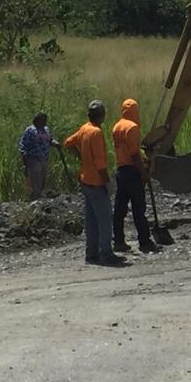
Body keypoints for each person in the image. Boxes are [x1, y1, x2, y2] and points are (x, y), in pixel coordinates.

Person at [64, 100, 126, 267]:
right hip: (96, 182)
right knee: (105, 219)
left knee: (91, 219)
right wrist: (107, 182)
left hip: (85, 180)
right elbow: (100, 163)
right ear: (101, 116)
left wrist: (81, 157)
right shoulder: (96, 133)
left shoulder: (84, 129)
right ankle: (106, 254)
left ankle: (91, 254)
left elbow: (68, 143)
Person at [111, 98, 160, 254]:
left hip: (121, 170)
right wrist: (144, 173)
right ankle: (144, 242)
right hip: (132, 171)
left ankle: (118, 241)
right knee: (139, 208)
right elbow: (134, 155)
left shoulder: (117, 126)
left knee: (120, 208)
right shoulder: (132, 127)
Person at [18, 112, 60, 200]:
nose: (44, 121)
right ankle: (34, 200)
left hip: (44, 158)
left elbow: (49, 140)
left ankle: (39, 199)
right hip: (33, 159)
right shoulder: (30, 130)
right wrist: (24, 156)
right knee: (35, 182)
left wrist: (54, 143)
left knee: (42, 181)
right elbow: (23, 144)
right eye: (42, 120)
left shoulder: (46, 130)